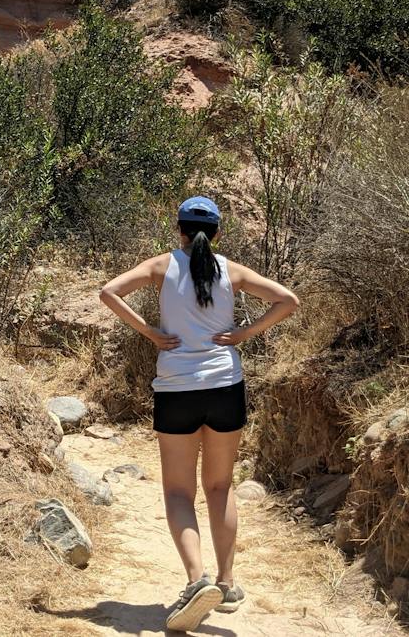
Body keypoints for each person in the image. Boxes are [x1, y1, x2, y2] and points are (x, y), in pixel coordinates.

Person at [99, 196, 300, 632]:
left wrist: (151, 333)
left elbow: (108, 292)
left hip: (176, 388)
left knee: (177, 491)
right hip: (225, 386)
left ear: (179, 230)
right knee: (221, 486)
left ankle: (196, 581)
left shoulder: (160, 266)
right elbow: (287, 300)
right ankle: (226, 583)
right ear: (218, 233)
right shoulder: (233, 270)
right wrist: (245, 334)